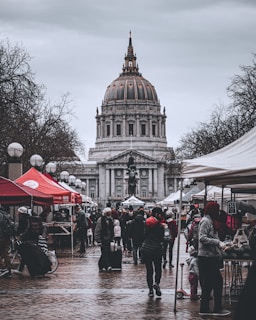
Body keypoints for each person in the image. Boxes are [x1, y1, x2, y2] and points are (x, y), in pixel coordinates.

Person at [198, 201, 231, 317]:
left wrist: (222, 245)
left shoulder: (210, 221)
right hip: (206, 257)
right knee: (217, 282)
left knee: (208, 284)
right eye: (216, 210)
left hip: (210, 256)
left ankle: (204, 308)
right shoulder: (206, 221)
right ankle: (217, 308)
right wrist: (218, 243)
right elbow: (202, 238)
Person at [140, 207, 164, 297]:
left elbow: (143, 235)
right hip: (157, 249)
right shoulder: (161, 226)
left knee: (149, 270)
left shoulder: (146, 223)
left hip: (146, 249)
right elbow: (165, 238)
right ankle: (157, 283)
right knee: (158, 269)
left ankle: (150, 290)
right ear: (157, 214)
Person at [94, 207, 114, 271]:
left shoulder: (111, 219)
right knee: (104, 252)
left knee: (106, 253)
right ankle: (108, 266)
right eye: (108, 213)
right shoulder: (101, 220)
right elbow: (98, 230)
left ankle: (101, 265)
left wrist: (112, 237)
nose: (109, 214)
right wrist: (98, 240)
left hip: (109, 239)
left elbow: (111, 229)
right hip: (103, 239)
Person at [0, 207, 15, 277]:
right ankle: (8, 269)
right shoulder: (6, 214)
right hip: (7, 236)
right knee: (6, 252)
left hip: (1, 236)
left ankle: (2, 268)